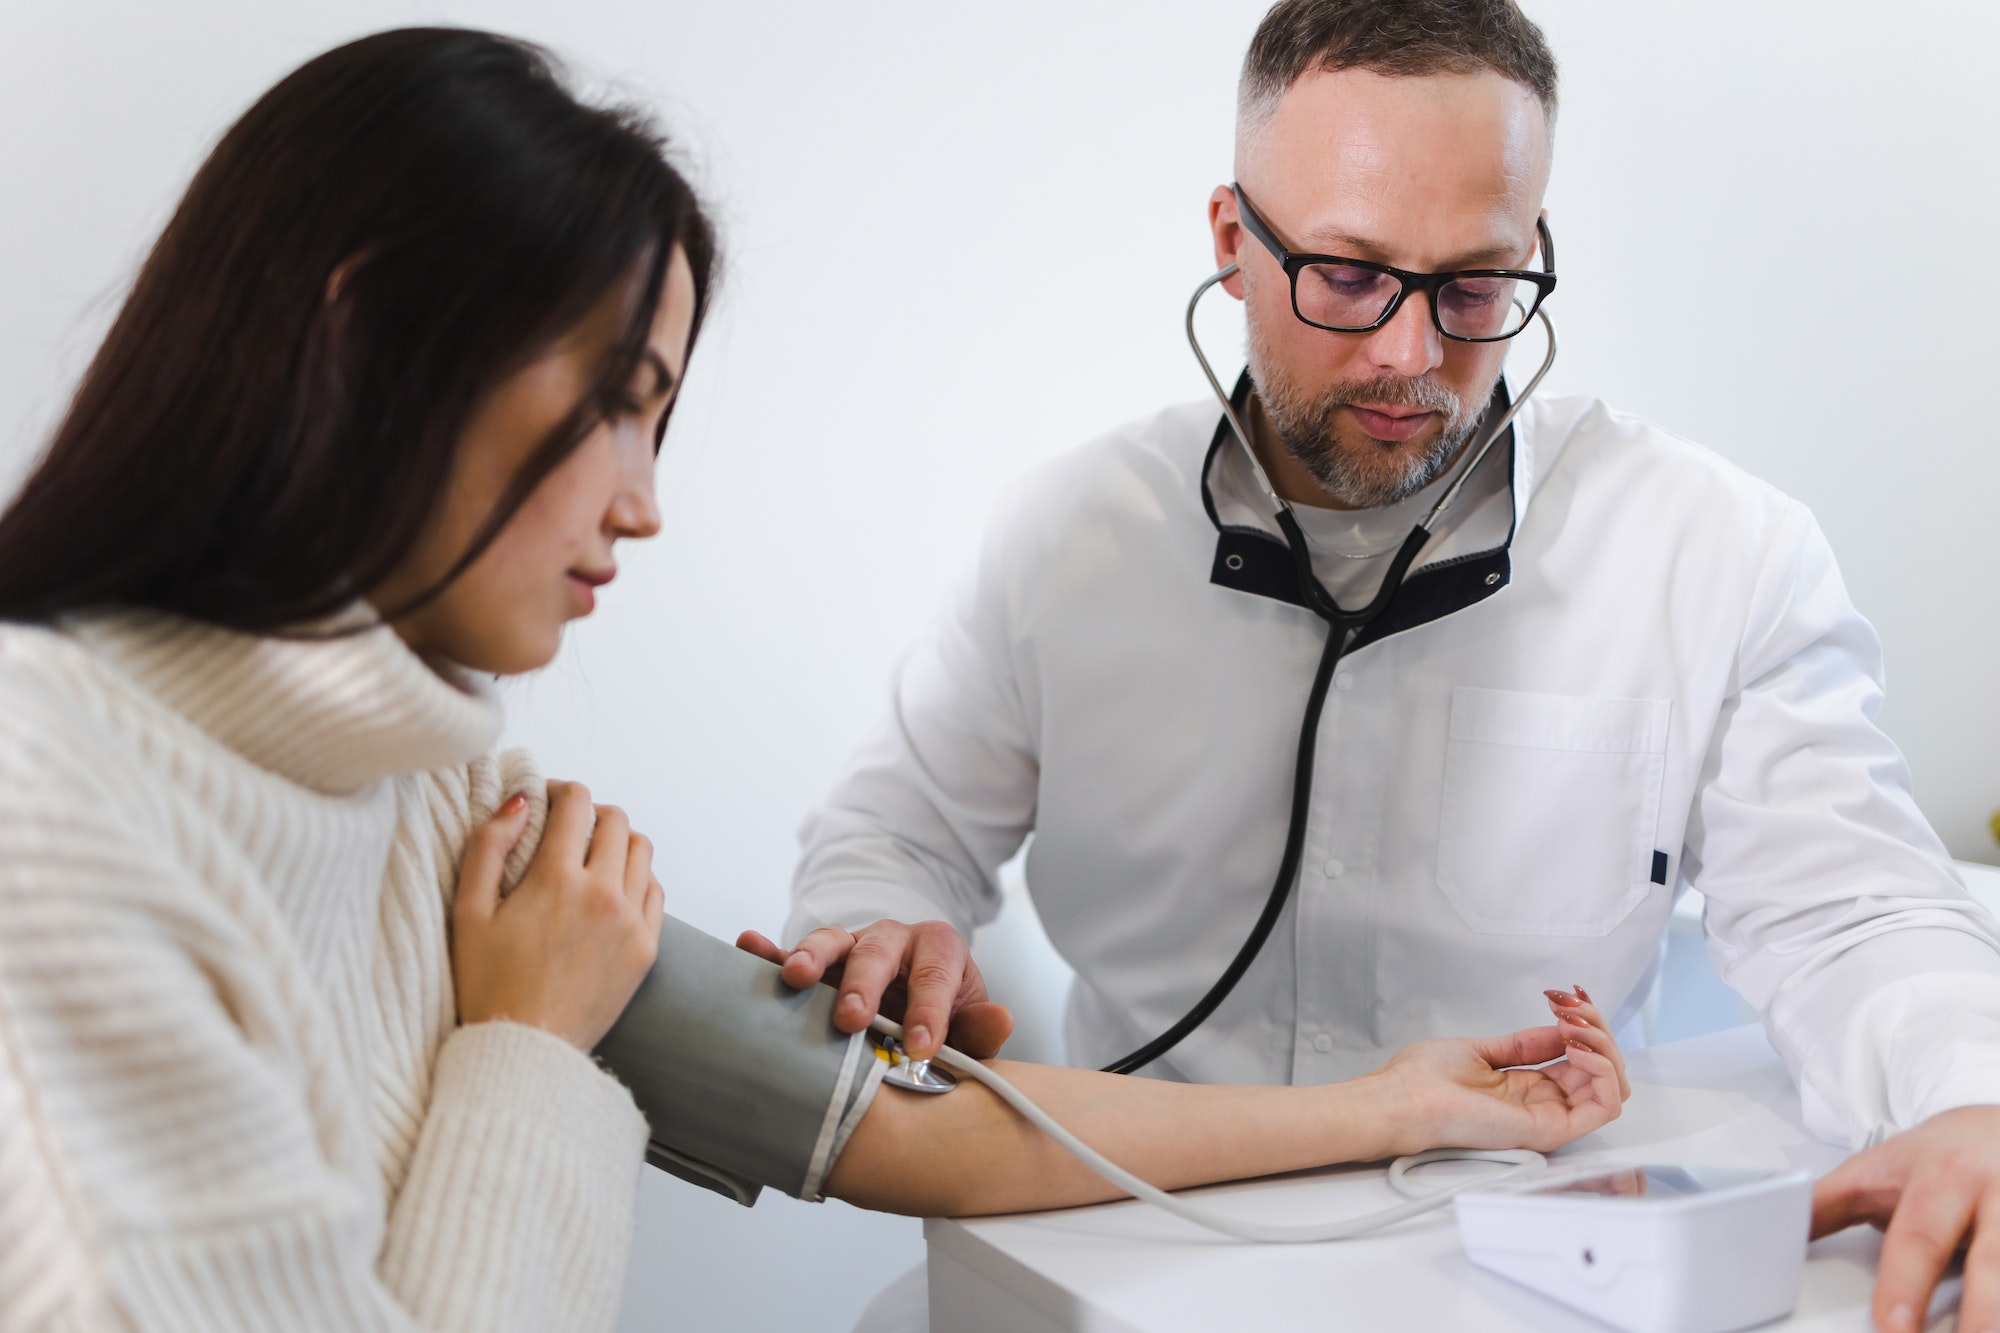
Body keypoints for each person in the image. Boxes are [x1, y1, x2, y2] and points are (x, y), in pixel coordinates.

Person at [0, 27, 1629, 1332]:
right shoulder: (53, 827)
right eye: (616, 402)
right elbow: (858, 871)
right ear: (366, 341)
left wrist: (1400, 1101)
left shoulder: (443, 791)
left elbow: (904, 1126)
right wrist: (524, 1050)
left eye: (663, 417)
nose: (644, 501)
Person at [767, 3, 2000, 1329]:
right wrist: (886, 920)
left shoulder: (1717, 553)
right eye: (1348, 276)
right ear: (1235, 246)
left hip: (1531, 1269)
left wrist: (1970, 1099)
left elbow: (1856, 914)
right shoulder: (1063, 538)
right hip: (1120, 1248)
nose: (1411, 357)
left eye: (1474, 285)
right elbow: (893, 834)